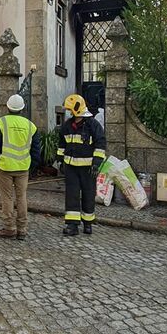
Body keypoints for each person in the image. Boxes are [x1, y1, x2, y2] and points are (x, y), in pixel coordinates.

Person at [0, 94, 42, 240]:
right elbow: (36, 150)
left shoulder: (1, 123)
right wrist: (32, 167)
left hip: (4, 167)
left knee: (7, 198)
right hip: (23, 167)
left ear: (7, 107)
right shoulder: (31, 126)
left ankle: (9, 228)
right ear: (22, 108)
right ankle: (22, 229)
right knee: (21, 197)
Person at [57, 94, 106, 236]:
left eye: (70, 110)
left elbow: (100, 144)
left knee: (88, 195)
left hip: (88, 168)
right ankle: (72, 225)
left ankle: (88, 223)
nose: (69, 113)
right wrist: (60, 161)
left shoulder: (93, 125)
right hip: (71, 167)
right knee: (71, 196)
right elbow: (62, 145)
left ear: (77, 109)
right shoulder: (67, 126)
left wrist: (96, 164)